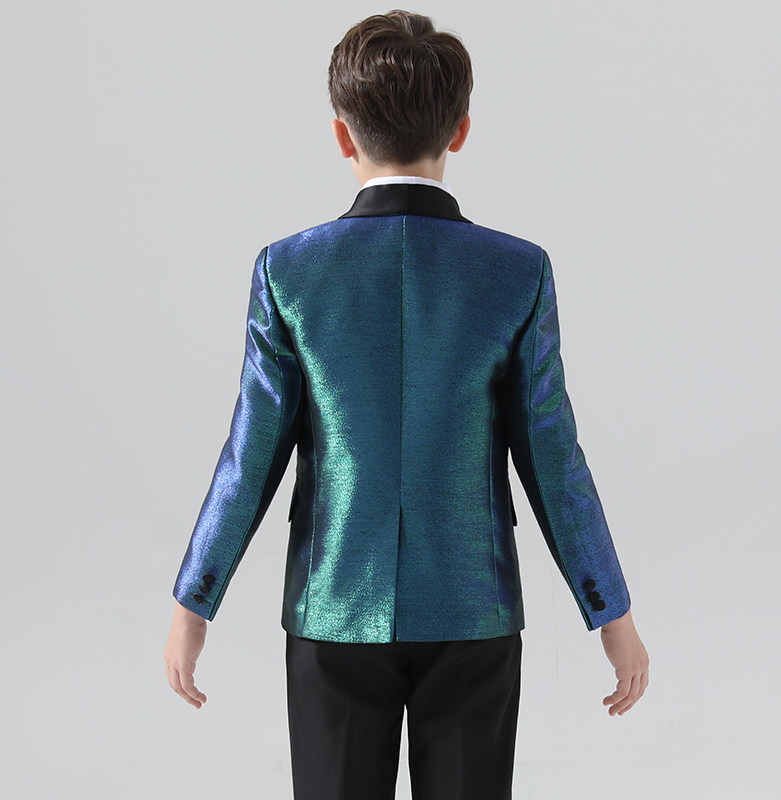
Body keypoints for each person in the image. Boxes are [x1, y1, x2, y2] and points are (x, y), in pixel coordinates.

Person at [164, 9, 649, 799]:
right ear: (461, 131)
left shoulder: (288, 272)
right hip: (472, 611)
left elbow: (250, 454)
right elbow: (554, 459)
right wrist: (610, 611)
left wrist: (196, 599)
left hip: (332, 607)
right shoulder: (516, 272)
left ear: (340, 135)